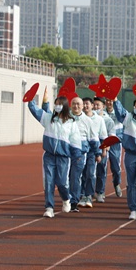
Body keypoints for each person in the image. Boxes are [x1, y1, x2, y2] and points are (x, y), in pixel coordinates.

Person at [28, 87, 81, 217]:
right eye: (55, 104)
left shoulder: (71, 123)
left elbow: (75, 141)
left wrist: (77, 155)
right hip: (49, 156)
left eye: (59, 105)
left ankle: (66, 198)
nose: (57, 107)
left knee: (62, 183)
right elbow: (35, 111)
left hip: (64, 157)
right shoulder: (48, 118)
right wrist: (30, 99)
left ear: (65, 106)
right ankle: (49, 207)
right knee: (49, 181)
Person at [78, 97, 107, 208]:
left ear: (91, 106)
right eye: (83, 104)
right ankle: (81, 194)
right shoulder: (78, 118)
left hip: (92, 151)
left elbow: (103, 136)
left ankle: (88, 195)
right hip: (80, 151)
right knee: (80, 173)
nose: (85, 106)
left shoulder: (99, 120)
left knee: (90, 173)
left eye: (87, 104)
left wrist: (102, 151)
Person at [92, 97, 115, 203]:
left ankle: (100, 192)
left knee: (101, 171)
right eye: (95, 105)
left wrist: (105, 149)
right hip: (91, 148)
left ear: (103, 107)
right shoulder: (88, 118)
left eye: (98, 105)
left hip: (103, 148)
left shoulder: (108, 120)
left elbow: (111, 136)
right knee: (90, 172)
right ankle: (88, 192)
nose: (96, 107)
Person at [104, 98, 124, 198]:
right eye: (107, 100)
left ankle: (116, 183)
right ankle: (100, 190)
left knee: (116, 168)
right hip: (103, 143)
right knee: (102, 167)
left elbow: (122, 115)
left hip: (115, 143)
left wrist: (117, 101)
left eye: (111, 100)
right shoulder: (102, 113)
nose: (109, 102)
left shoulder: (119, 112)